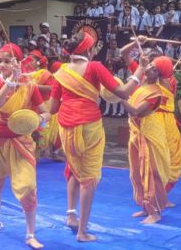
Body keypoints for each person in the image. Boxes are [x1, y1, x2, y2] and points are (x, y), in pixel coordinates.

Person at [49, 32, 143, 242]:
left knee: (74, 169)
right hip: (89, 126)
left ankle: (71, 215)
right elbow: (124, 93)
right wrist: (141, 70)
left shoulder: (61, 72)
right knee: (89, 178)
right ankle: (82, 232)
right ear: (89, 50)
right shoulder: (94, 67)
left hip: (66, 127)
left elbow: (53, 108)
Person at [0, 43, 50, 249]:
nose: (2, 65)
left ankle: (30, 234)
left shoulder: (29, 85)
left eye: (7, 61)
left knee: (27, 187)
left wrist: (37, 119)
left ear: (17, 62)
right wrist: (9, 82)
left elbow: (46, 112)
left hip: (21, 141)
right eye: (0, 61)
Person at [119, 56, 171, 224]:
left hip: (149, 134)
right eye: (150, 65)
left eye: (154, 69)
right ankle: (144, 206)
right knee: (137, 171)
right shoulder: (142, 84)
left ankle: (154, 211)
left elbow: (135, 111)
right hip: (137, 132)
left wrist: (119, 96)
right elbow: (123, 53)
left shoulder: (156, 93)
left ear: (160, 75)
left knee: (150, 172)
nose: (149, 69)